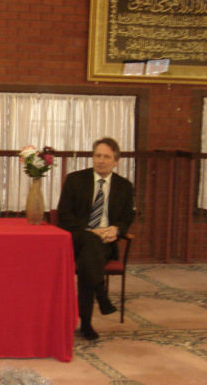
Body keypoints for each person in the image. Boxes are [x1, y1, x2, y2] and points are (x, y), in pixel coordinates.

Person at [57, 137, 135, 340]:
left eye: (106, 157)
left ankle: (91, 313)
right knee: (91, 245)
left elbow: (127, 218)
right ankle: (97, 302)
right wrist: (91, 231)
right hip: (77, 239)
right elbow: (64, 216)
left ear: (116, 161)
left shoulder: (124, 186)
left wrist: (116, 230)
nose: (100, 160)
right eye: (97, 155)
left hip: (105, 243)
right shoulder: (75, 180)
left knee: (89, 259)